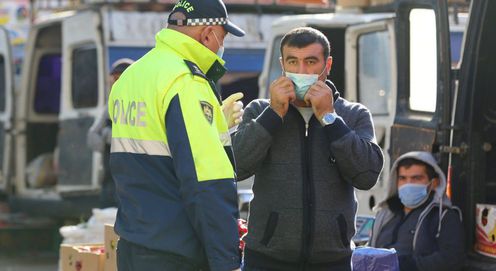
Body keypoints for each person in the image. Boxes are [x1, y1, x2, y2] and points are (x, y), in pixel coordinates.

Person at [107, 0, 246, 270]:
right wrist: (226, 261)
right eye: (223, 36)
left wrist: (214, 123)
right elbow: (206, 182)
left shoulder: (131, 76)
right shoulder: (185, 81)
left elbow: (153, 151)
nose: (222, 45)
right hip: (175, 253)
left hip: (134, 243)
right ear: (207, 34)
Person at [232, 27, 384, 271]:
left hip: (332, 261)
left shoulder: (353, 114)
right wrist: (273, 115)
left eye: (311, 62)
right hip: (266, 258)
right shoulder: (259, 110)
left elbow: (367, 175)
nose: (301, 72)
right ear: (282, 64)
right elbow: (235, 167)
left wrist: (330, 118)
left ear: (328, 65)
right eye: (293, 62)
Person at [369, 151, 465, 271]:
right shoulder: (385, 214)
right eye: (403, 178)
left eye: (416, 178)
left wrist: (405, 265)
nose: (408, 184)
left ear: (434, 183)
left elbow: (452, 259)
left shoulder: (443, 216)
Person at [87, 58, 134, 208]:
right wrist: (106, 136)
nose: (116, 83)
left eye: (120, 79)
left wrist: (113, 136)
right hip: (111, 173)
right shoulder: (111, 105)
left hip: (133, 172)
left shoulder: (142, 103)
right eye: (114, 79)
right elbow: (92, 135)